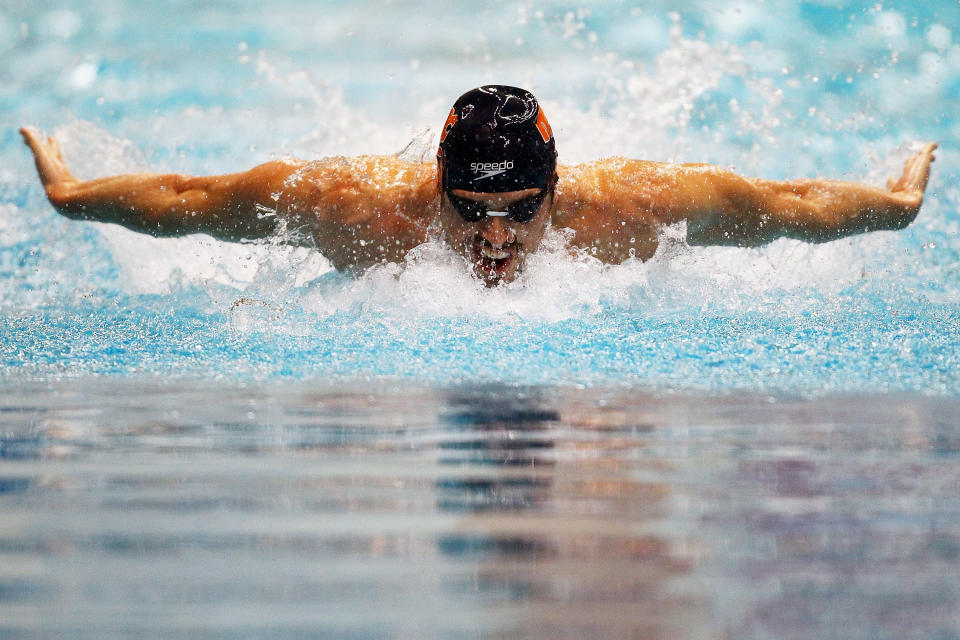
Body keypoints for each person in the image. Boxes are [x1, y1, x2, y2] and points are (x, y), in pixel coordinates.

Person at [21, 85, 937, 286]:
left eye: (517, 214)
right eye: (471, 212)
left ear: (554, 191)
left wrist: (889, 211)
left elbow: (787, 209)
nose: (494, 239)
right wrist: (74, 195)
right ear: (437, 187)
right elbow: (191, 202)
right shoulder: (356, 209)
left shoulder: (635, 208)